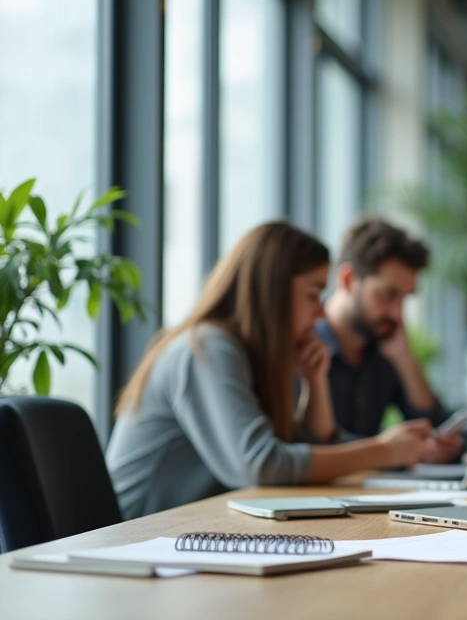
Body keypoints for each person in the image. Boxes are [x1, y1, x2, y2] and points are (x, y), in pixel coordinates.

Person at [106, 222, 432, 520]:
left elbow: (311, 450)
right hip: (139, 536)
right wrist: (384, 450)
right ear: (272, 290)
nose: (321, 314)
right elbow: (260, 465)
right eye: (313, 295)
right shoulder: (207, 347)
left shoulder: (258, 355)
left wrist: (315, 382)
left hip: (195, 530)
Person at [316, 216, 461, 464]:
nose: (397, 314)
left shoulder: (385, 345)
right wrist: (391, 451)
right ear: (348, 280)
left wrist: (405, 359)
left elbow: (434, 423)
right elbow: (310, 443)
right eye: (387, 294)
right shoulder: (304, 344)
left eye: (404, 299)